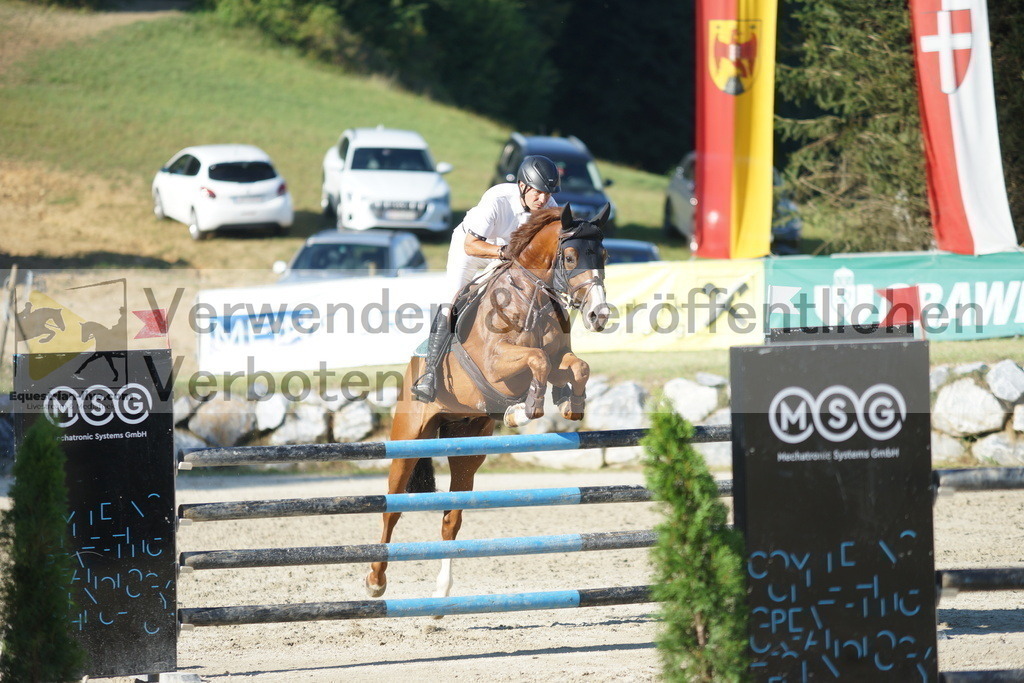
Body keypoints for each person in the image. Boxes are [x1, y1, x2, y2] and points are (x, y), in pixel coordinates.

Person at [410, 155, 561, 402]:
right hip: (470, 251)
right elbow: (471, 245)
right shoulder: (497, 199)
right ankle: (429, 374)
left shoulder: (549, 207)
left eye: (547, 193)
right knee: (452, 302)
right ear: (522, 186)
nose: (543, 199)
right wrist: (503, 252)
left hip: (505, 253)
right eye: (537, 192)